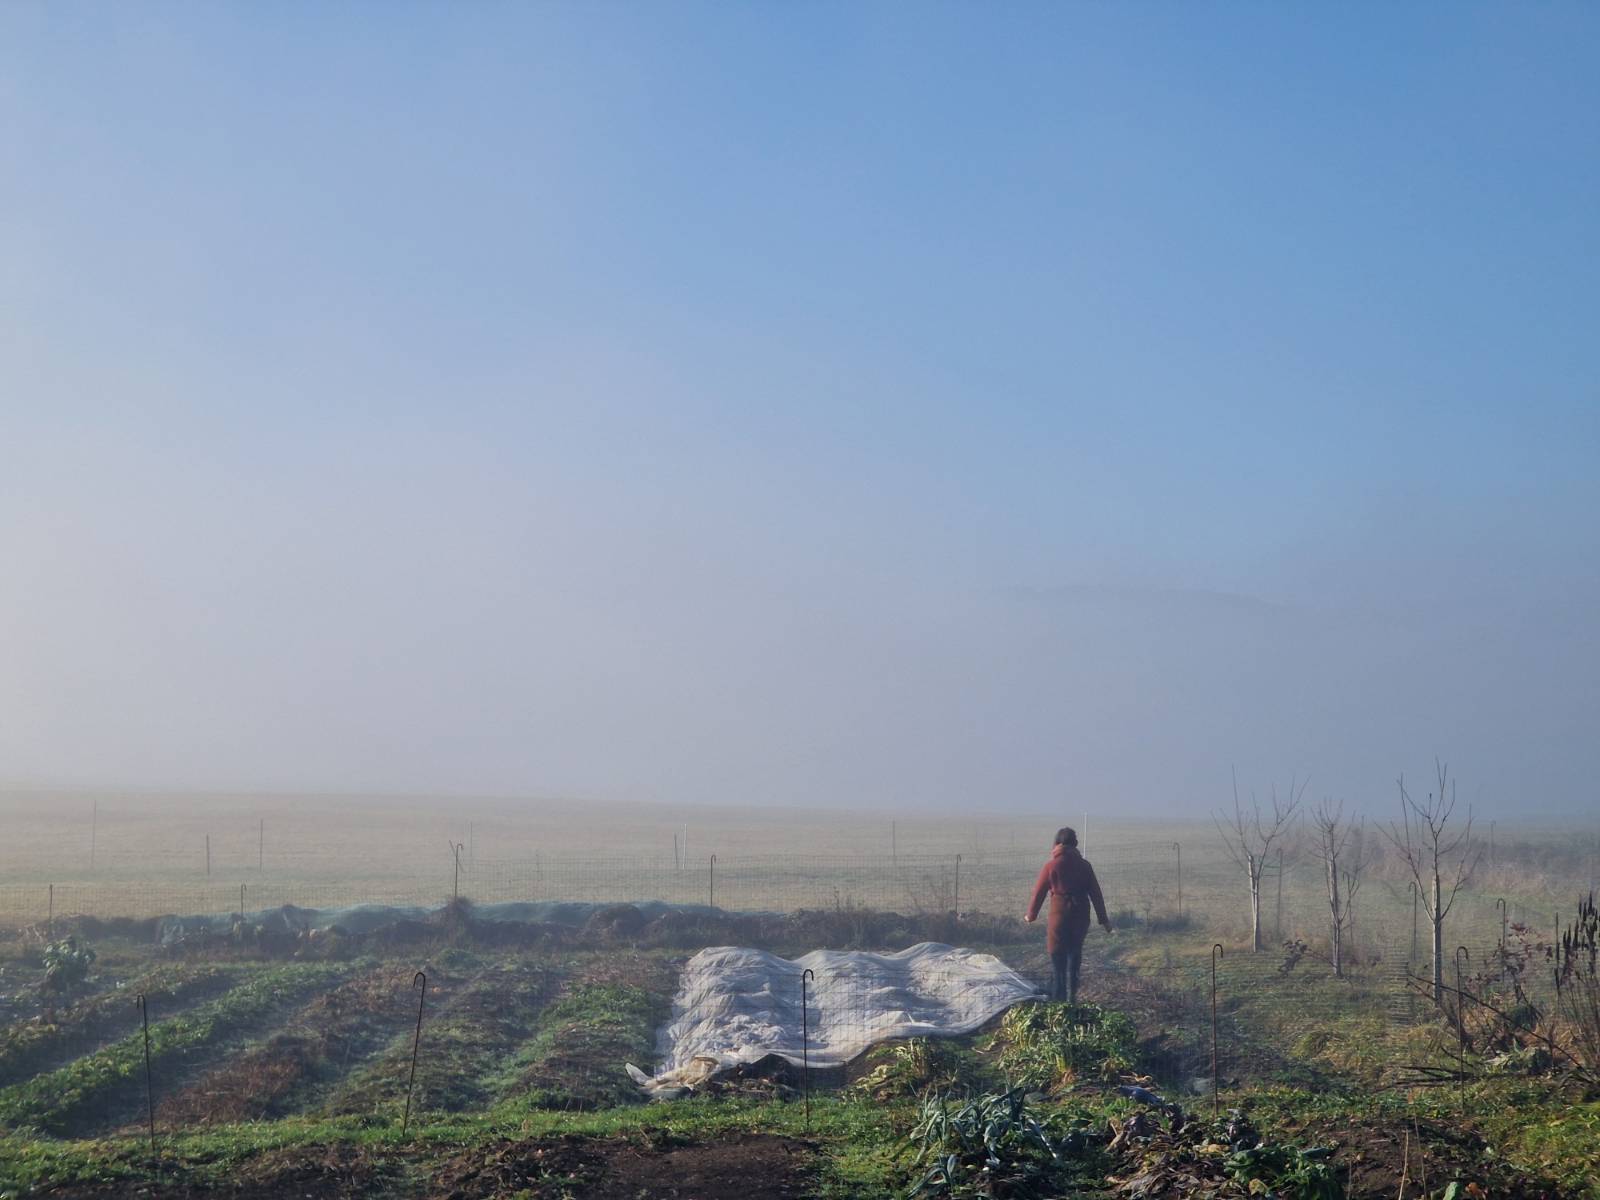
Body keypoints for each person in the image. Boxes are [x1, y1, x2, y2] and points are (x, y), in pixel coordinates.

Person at [1024, 826, 1111, 1002]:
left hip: (1059, 914)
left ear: (1056, 844)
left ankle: (1059, 997)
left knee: (1057, 954)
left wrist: (1031, 915)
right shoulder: (1085, 866)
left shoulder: (1051, 866)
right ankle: (1072, 997)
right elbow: (1096, 894)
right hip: (1081, 913)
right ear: (1076, 844)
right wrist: (1104, 920)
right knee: (1074, 953)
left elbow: (1038, 893)